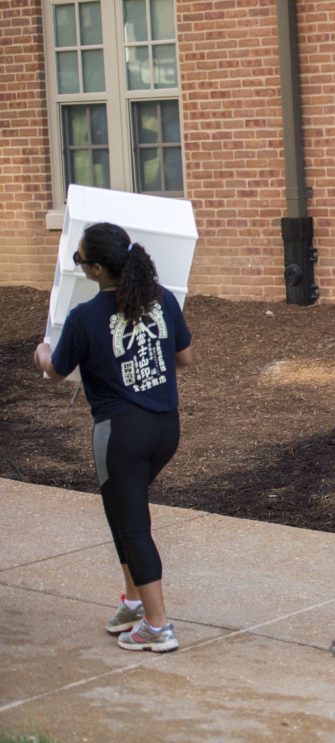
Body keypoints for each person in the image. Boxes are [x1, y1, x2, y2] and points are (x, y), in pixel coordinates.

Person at [34, 222, 193, 653]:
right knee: (122, 516)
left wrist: (43, 354)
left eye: (80, 261)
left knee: (133, 526)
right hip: (165, 428)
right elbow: (185, 357)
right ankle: (134, 603)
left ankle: (158, 626)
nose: (79, 266)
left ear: (98, 269)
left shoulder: (85, 317)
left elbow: (57, 371)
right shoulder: (160, 299)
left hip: (120, 434)